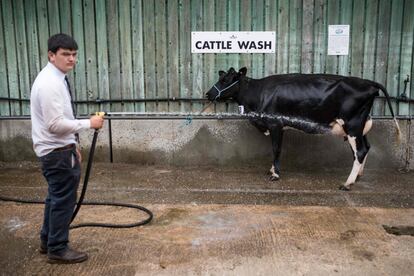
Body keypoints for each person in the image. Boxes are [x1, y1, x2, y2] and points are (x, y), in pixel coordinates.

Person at [30, 33, 104, 264]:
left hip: (60, 150)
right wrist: (88, 124)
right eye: (65, 54)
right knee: (63, 201)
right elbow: (54, 125)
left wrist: (73, 144)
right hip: (56, 153)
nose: (71, 59)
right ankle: (58, 249)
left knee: (55, 198)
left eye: (74, 55)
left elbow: (62, 118)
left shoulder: (55, 77)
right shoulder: (50, 83)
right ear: (52, 56)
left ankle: (47, 240)